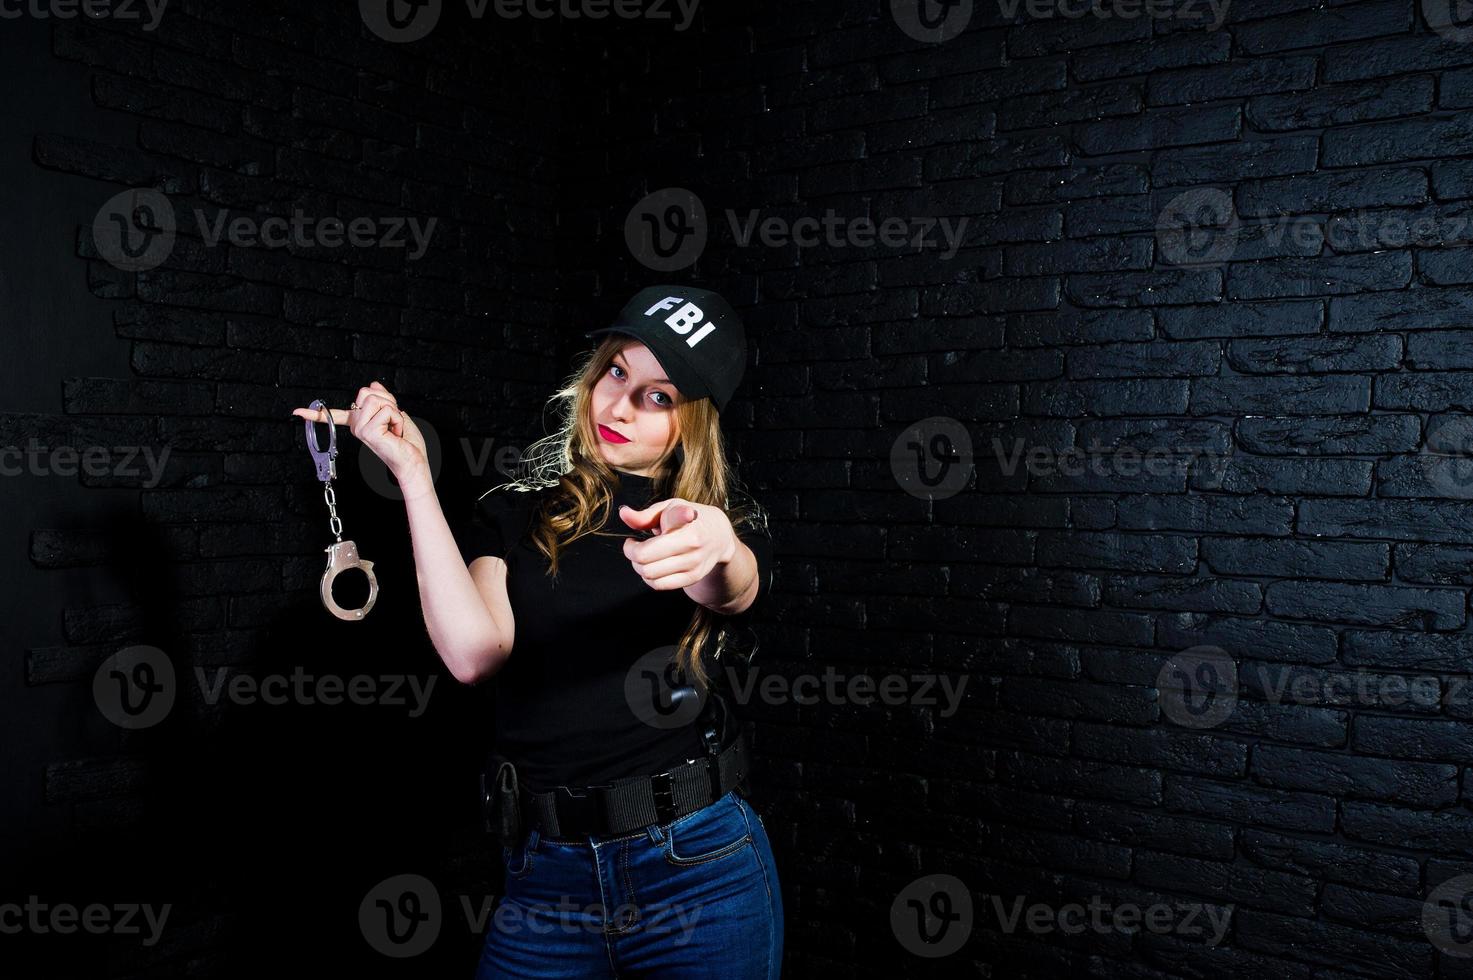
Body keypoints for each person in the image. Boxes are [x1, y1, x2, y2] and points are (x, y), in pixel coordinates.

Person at [291, 285, 783, 978]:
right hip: (544, 879)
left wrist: (718, 549)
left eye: (658, 396)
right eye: (616, 372)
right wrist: (412, 477)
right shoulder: (517, 513)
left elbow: (733, 588)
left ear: (691, 422)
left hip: (697, 869)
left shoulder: (717, 523)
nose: (618, 406)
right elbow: (473, 654)